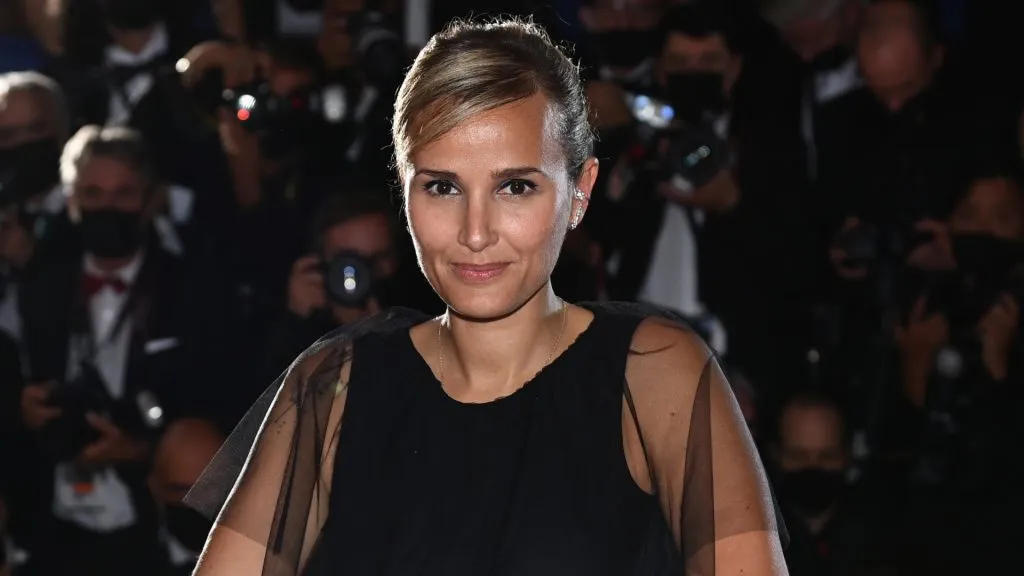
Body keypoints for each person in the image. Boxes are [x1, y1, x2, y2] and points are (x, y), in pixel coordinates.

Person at [187, 18, 787, 576]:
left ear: (579, 193)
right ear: (404, 192)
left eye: (516, 186)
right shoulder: (334, 382)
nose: (476, 233)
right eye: (443, 186)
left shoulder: (653, 372)